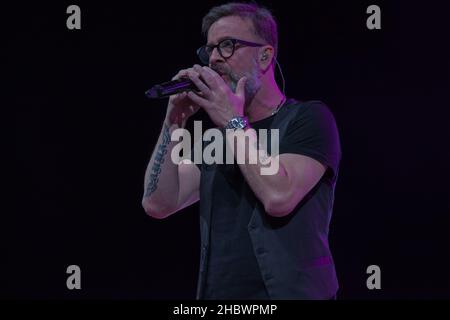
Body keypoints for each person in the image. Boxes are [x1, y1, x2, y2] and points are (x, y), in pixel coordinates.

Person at [142, 2, 341, 300]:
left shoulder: (309, 119)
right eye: (209, 49)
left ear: (264, 56)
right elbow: (158, 203)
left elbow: (279, 196)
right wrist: (175, 121)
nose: (213, 59)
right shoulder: (217, 139)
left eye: (227, 46)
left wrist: (231, 121)